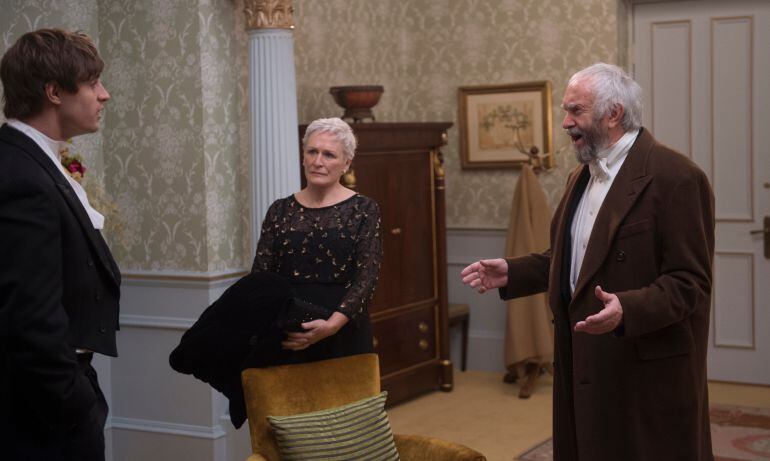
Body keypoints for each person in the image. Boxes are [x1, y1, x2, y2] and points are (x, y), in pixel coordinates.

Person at [461, 63, 715, 461]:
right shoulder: (579, 177)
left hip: (642, 367)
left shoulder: (677, 177)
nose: (565, 122)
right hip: (582, 358)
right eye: (566, 110)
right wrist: (514, 271)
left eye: (575, 110)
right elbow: (576, 262)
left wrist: (627, 308)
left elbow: (690, 282)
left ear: (613, 113)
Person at [170, 117, 381, 427]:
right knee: (290, 427)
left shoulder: (364, 209)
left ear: (346, 163)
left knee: (347, 428)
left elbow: (367, 277)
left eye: (329, 154)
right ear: (303, 155)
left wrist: (331, 326)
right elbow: (261, 276)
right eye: (312, 152)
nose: (318, 161)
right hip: (288, 334)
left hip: (343, 331)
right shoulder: (280, 210)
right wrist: (282, 325)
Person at [0, 29, 120, 461]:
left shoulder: (37, 161)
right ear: (54, 92)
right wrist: (77, 405)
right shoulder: (21, 175)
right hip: (41, 419)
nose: (104, 95)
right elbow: (29, 318)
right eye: (92, 83)